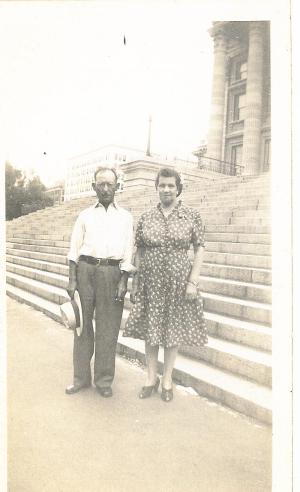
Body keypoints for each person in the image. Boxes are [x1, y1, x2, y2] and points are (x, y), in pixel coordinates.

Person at [123, 167, 208, 402]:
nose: (167, 189)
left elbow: (199, 247)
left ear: (178, 188)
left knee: (172, 331)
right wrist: (136, 282)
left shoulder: (191, 215)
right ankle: (151, 378)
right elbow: (138, 250)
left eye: (171, 185)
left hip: (178, 283)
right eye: (162, 185)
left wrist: (193, 281)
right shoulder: (147, 217)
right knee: (151, 331)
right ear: (157, 187)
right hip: (151, 282)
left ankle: (167, 379)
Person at [65, 167, 134, 398]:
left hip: (112, 273)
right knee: (82, 327)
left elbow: (128, 252)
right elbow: (74, 249)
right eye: (101, 184)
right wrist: (72, 278)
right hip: (85, 271)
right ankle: (81, 378)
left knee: (108, 328)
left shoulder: (125, 217)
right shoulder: (85, 215)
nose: (105, 189)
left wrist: (124, 280)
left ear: (117, 187)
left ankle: (104, 380)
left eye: (109, 184)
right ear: (94, 187)